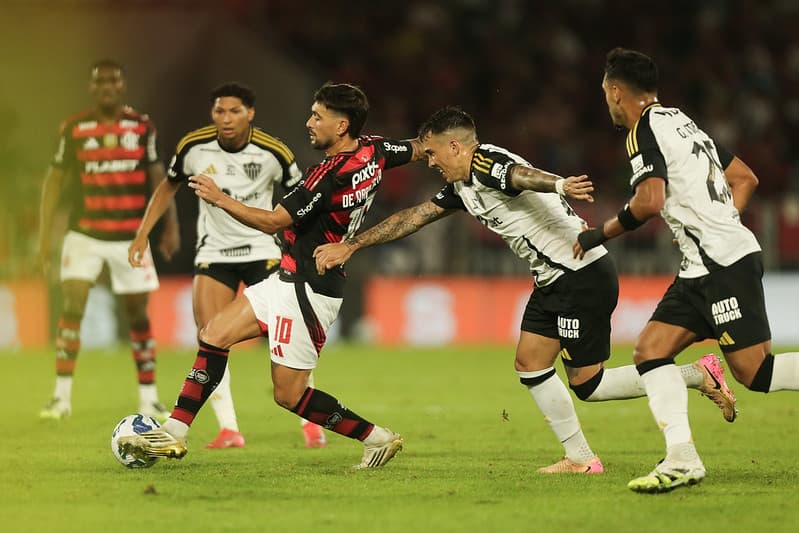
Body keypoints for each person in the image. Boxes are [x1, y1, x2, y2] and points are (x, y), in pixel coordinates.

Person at [313, 106, 737, 474]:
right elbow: (416, 216)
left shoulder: (485, 162)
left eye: (433, 153)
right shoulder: (463, 184)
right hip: (552, 280)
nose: (430, 163)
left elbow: (519, 176)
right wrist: (353, 245)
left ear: (455, 147)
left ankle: (697, 374)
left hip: (580, 276)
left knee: (589, 385)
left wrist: (558, 184)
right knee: (530, 364)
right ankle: (580, 458)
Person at [118, 82, 425, 468]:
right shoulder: (374, 150)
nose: (309, 122)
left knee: (289, 396)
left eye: (318, 116)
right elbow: (417, 148)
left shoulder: (326, 176)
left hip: (309, 291)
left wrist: (219, 197)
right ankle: (174, 432)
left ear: (342, 125)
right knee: (213, 334)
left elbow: (272, 221)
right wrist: (451, 147)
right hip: (287, 278)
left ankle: (376, 437)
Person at [574, 47, 799, 492]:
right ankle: (682, 458)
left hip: (722, 263)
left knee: (755, 373)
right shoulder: (682, 120)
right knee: (650, 350)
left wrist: (599, 233)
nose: (607, 102)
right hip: (704, 264)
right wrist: (719, 220)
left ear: (616, 92)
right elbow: (746, 178)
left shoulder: (642, 131)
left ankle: (682, 457)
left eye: (605, 93)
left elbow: (649, 201)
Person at [129, 82, 327, 449]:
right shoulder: (193, 147)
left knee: (288, 337)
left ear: (250, 113)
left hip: (263, 251)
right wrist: (143, 234)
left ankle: (310, 423)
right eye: (220, 111)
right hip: (215, 254)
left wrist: (308, 246)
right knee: (210, 337)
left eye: (235, 111)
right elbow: (168, 186)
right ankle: (229, 429)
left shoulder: (274, 151)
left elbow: (302, 198)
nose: (226, 118)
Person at [37, 59, 179, 420]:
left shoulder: (141, 127)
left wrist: (170, 226)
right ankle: (60, 398)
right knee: (73, 305)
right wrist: (44, 237)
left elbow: (159, 178)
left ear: (122, 86)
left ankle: (149, 398)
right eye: (100, 82)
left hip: (130, 237)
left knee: (137, 314)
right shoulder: (74, 128)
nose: (106, 88)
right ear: (91, 88)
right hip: (84, 233)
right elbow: (54, 181)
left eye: (113, 81)